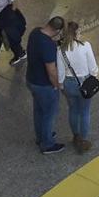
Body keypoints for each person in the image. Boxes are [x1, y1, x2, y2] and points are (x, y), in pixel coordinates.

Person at [25, 15, 67, 154]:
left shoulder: (35, 32)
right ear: (58, 31)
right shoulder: (48, 46)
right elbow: (51, 71)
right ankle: (47, 144)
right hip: (44, 85)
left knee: (38, 110)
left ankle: (41, 137)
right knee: (49, 113)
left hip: (31, 80)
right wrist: (57, 85)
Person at [58, 20, 99, 154]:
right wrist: (93, 75)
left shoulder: (60, 50)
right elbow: (93, 69)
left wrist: (61, 85)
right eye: (79, 31)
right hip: (84, 84)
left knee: (73, 110)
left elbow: (60, 72)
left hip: (68, 84)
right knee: (85, 112)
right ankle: (83, 140)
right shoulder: (85, 46)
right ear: (76, 33)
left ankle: (75, 135)